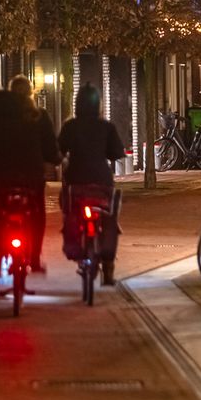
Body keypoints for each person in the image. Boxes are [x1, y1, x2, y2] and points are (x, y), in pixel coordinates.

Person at [0, 75, 60, 273]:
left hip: (3, 175)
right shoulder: (39, 114)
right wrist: (56, 160)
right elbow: (50, 148)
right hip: (32, 176)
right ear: (31, 93)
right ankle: (35, 260)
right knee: (37, 213)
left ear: (10, 92)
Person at [58, 84, 125, 285]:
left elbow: (58, 150)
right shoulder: (106, 127)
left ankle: (75, 244)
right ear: (99, 105)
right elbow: (116, 153)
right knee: (110, 218)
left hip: (76, 181)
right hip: (101, 183)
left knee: (69, 209)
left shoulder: (70, 126)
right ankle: (109, 269)